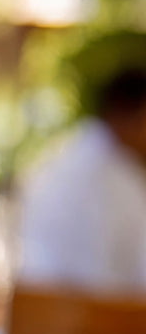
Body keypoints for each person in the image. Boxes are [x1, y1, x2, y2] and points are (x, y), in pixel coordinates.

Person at [18, 63, 146, 296]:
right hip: (90, 318)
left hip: (44, 310)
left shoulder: (66, 153)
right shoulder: (112, 175)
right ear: (126, 113)